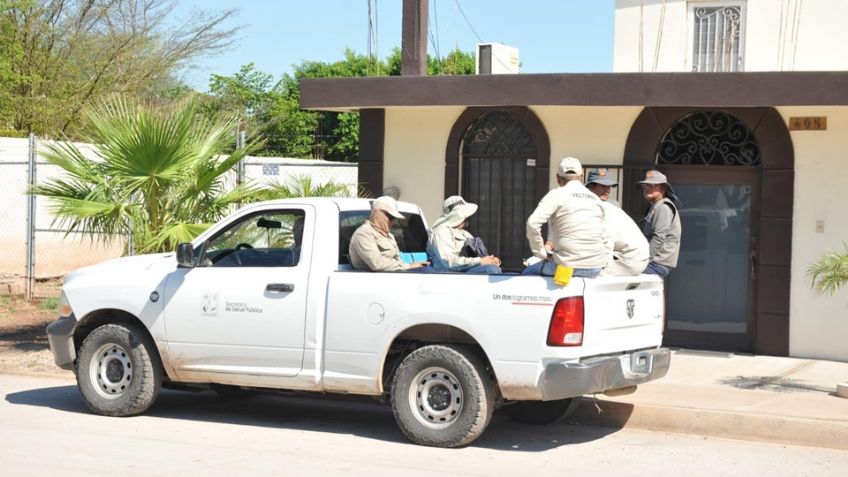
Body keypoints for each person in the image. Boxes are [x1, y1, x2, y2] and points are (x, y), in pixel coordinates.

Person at [523, 157, 608, 278]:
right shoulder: (595, 199)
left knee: (527, 272)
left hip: (566, 267)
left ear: (558, 178)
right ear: (582, 177)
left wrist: (540, 253)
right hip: (595, 268)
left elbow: (532, 223)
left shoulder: (556, 195)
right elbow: (605, 234)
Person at [585, 169, 650, 276]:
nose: (607, 190)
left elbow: (607, 241)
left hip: (628, 259)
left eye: (609, 187)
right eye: (603, 186)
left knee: (586, 272)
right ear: (590, 187)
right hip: (634, 258)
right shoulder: (603, 206)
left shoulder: (602, 208)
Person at [349, 196, 429, 272]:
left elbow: (398, 260)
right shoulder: (363, 234)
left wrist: (416, 266)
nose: (393, 221)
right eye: (391, 217)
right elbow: (377, 263)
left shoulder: (389, 236)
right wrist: (408, 266)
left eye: (394, 218)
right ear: (377, 212)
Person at [427, 196, 502, 274]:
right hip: (448, 274)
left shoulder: (464, 233)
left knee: (494, 269)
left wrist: (490, 259)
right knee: (490, 270)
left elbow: (476, 253)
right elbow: (449, 262)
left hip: (463, 270)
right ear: (457, 217)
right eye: (465, 218)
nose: (467, 222)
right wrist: (480, 261)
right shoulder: (441, 232)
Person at [638, 170, 682, 277]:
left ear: (663, 189)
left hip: (656, 263)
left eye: (654, 185)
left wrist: (642, 260)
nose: (648, 188)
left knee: (620, 273)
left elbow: (658, 238)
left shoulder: (663, 207)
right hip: (653, 262)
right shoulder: (655, 206)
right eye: (646, 185)